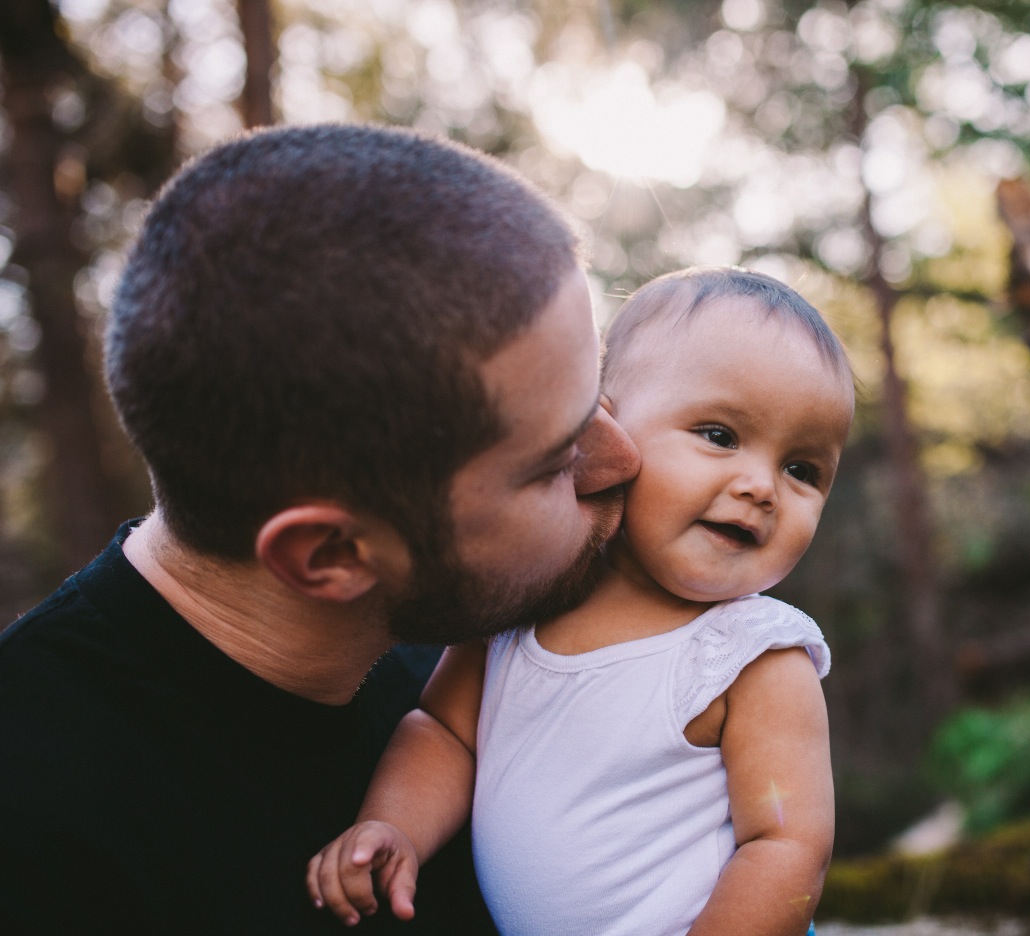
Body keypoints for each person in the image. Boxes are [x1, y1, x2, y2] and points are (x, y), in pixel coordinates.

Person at [0, 124, 639, 934]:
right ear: (332, 555)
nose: (624, 459)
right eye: (555, 461)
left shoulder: (493, 662)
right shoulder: (36, 834)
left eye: (603, 399)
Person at [307, 267, 855, 935]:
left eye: (802, 470)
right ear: (608, 430)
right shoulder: (528, 596)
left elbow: (788, 847)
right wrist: (394, 824)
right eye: (719, 435)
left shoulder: (755, 657)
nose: (761, 486)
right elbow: (446, 732)